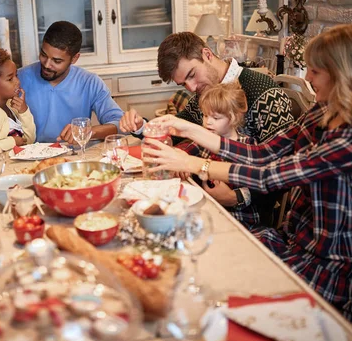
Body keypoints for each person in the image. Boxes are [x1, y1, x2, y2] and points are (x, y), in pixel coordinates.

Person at [143, 24, 352, 334]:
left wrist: (194, 163)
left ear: (344, 74)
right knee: (209, 256)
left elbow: (269, 176)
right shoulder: (321, 111)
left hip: (332, 265)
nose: (307, 78)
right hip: (295, 243)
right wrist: (192, 131)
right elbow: (265, 152)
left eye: (315, 71)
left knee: (217, 285)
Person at [120, 32, 294, 210]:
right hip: (204, 199)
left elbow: (284, 168)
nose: (192, 88)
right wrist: (142, 125)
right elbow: (177, 130)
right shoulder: (203, 95)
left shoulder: (265, 92)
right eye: (184, 84)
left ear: (207, 54)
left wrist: (236, 197)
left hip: (248, 215)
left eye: (192, 75)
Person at [18, 21, 123, 144]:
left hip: (74, 156)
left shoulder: (90, 82)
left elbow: (119, 123)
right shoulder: (19, 78)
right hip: (29, 158)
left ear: (74, 58)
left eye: (56, 61)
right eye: (43, 55)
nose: (46, 64)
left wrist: (89, 131)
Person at [197, 81, 265, 228]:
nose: (208, 122)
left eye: (216, 118)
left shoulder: (248, 147)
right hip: (209, 212)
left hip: (240, 219)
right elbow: (188, 151)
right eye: (205, 115)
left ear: (233, 118)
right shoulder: (205, 139)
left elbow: (257, 185)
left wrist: (235, 197)